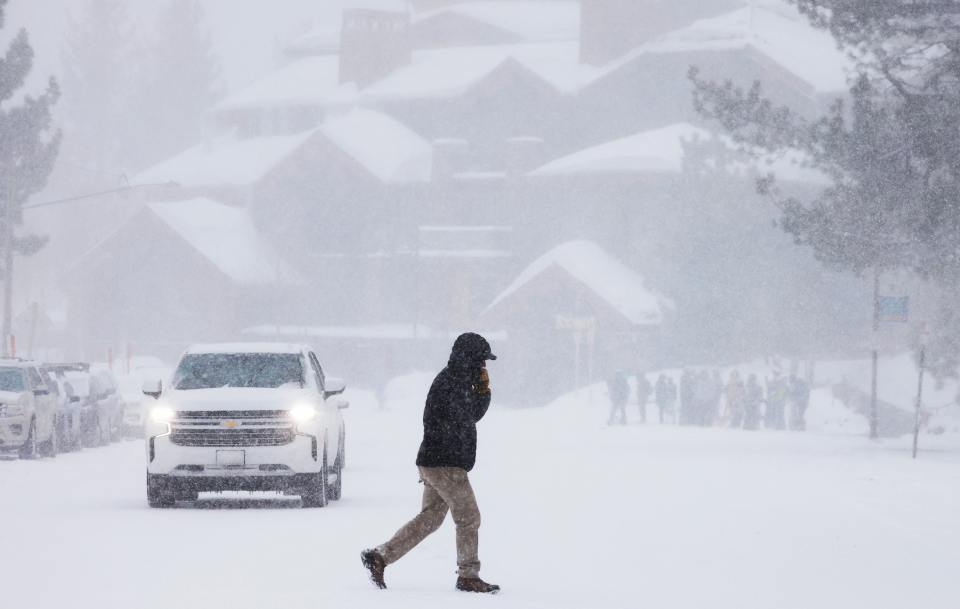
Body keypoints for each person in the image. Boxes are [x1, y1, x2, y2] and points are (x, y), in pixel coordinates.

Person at [361, 333, 500, 594]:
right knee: (469, 518)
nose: (484, 366)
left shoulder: (453, 380)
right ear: (470, 358)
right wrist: (483, 391)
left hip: (436, 461)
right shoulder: (452, 384)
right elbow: (470, 416)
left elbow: (466, 416)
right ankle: (468, 575)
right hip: (446, 463)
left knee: (431, 518)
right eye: (481, 360)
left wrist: (479, 390)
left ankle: (380, 556)